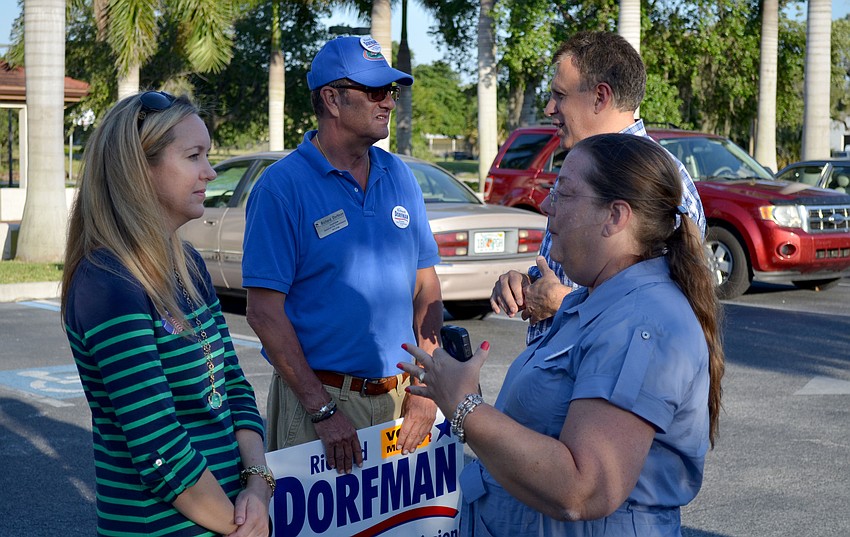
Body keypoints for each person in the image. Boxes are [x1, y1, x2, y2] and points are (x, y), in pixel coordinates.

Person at [400, 133, 725, 536]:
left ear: (615, 217)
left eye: (564, 193)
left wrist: (465, 407)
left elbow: (584, 489)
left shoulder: (639, 321)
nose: (546, 205)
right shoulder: (597, 303)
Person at [61, 91, 272, 537]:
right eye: (194, 156)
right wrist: (240, 528)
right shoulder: (108, 281)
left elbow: (231, 384)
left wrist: (258, 483)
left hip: (230, 516)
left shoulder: (189, 262)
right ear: (138, 170)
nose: (210, 172)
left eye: (207, 155)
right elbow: (157, 443)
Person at [242, 36, 443, 474]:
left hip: (404, 397)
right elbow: (263, 313)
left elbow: (426, 286)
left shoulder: (400, 175)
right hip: (318, 404)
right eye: (375, 91)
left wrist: (426, 385)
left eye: (391, 91)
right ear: (331, 99)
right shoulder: (281, 188)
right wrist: (322, 410)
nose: (389, 102)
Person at [490, 31, 706, 345]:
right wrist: (525, 285)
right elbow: (565, 276)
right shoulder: (587, 165)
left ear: (600, 97)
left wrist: (564, 302)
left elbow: (665, 318)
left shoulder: (656, 180)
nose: (550, 108)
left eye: (560, 95)